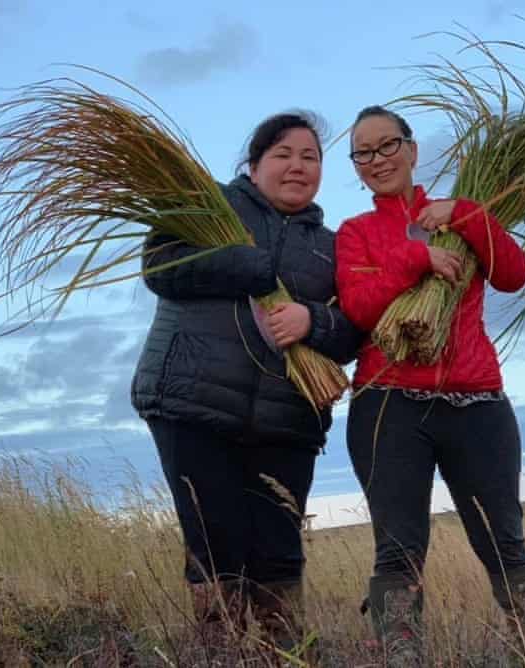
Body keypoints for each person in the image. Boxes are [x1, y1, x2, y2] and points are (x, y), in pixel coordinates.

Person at [335, 105, 525, 666]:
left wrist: (464, 214)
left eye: (388, 145)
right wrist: (417, 258)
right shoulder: (356, 232)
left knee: (506, 545)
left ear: (412, 150)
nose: (377, 160)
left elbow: (512, 273)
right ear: (357, 168)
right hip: (388, 405)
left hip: (477, 402)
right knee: (397, 554)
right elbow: (359, 308)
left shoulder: (460, 213)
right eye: (363, 153)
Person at [131, 111, 363, 651]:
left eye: (311, 157)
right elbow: (160, 269)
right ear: (253, 164)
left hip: (288, 419)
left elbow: (354, 330)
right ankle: (219, 654)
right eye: (283, 154)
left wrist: (313, 321)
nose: (297, 166)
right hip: (193, 403)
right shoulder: (209, 206)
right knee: (217, 546)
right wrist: (246, 267)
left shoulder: (331, 246)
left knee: (280, 552)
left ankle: (281, 654)